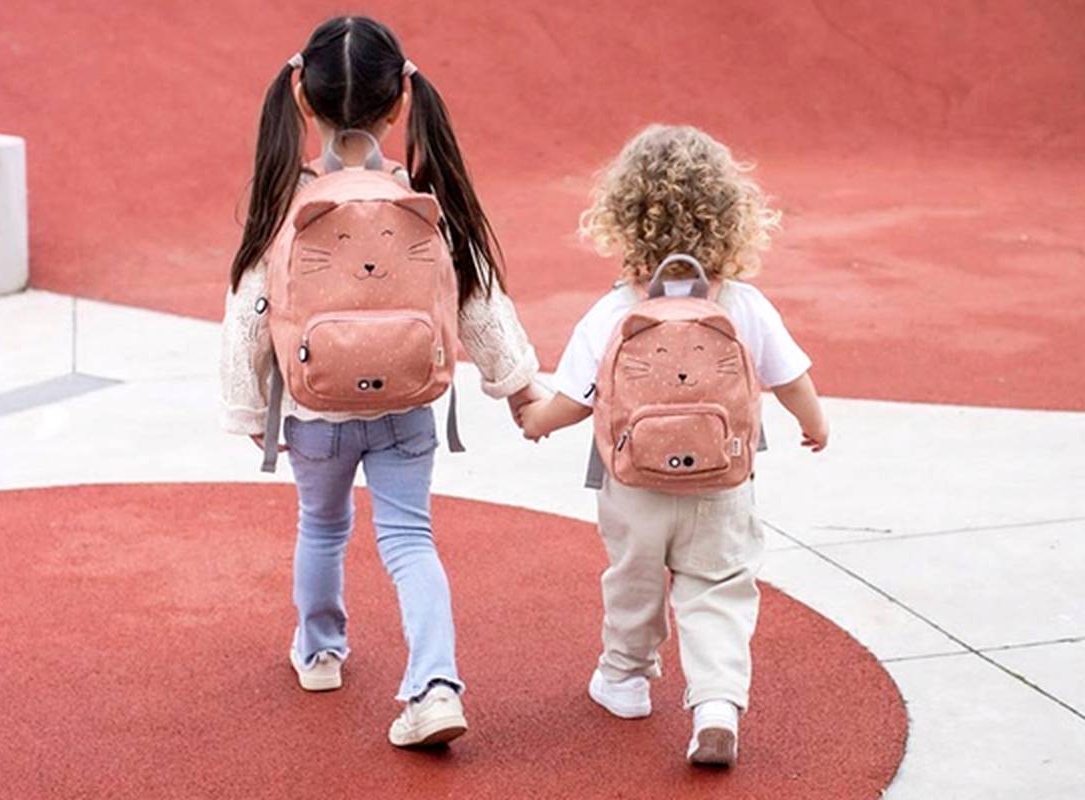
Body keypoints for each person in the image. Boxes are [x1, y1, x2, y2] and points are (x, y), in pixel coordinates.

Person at [219, 15, 542, 748]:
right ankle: (433, 683)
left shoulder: (285, 202)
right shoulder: (418, 199)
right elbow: (477, 297)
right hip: (406, 407)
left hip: (313, 410)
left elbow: (250, 308)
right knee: (409, 538)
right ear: (402, 101)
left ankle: (321, 650)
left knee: (323, 528)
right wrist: (518, 384)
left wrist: (247, 410)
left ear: (301, 99)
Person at [519, 124, 828, 766]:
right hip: (722, 482)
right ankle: (716, 703)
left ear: (623, 218)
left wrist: (535, 420)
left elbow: (575, 400)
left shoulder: (614, 312)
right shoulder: (743, 304)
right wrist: (813, 421)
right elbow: (790, 376)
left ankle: (625, 679)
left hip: (633, 486)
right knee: (717, 585)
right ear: (731, 218)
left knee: (632, 579)